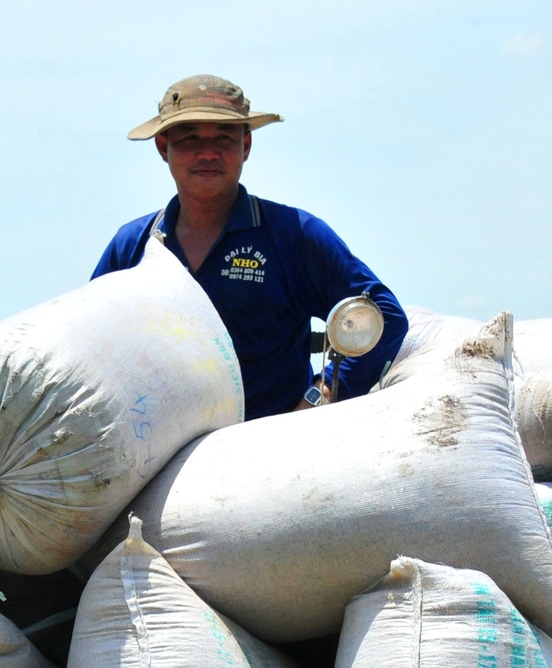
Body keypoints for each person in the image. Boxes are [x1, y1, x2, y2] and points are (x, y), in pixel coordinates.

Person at [93, 75, 407, 418]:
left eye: (225, 138)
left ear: (245, 146)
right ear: (163, 147)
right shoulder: (133, 244)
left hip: (268, 447)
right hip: (157, 444)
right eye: (191, 138)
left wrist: (323, 392)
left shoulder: (294, 235)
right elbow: (93, 340)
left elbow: (384, 318)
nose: (208, 153)